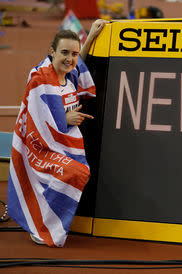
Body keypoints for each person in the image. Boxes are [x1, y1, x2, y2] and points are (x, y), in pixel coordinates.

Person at [7, 19, 107, 247]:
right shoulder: (40, 79)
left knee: (79, 172)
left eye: (73, 53)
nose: (70, 58)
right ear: (51, 51)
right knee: (75, 173)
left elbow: (78, 63)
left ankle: (45, 221)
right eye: (64, 52)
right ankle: (41, 226)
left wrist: (89, 36)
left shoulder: (66, 74)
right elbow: (37, 118)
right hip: (39, 147)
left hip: (61, 143)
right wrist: (66, 119)